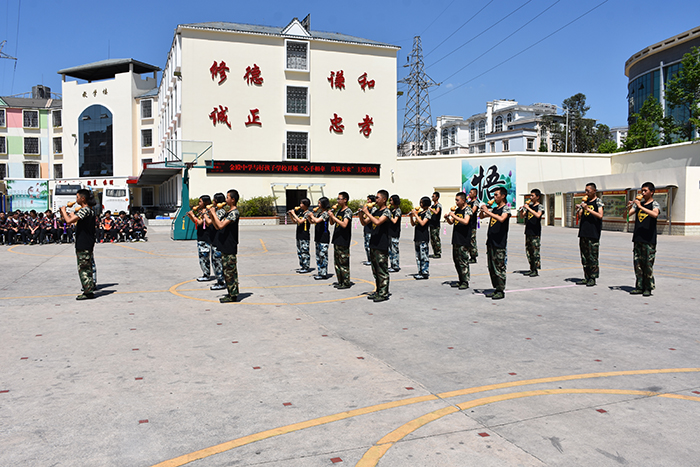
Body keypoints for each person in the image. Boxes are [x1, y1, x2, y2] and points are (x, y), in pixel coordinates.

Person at [59, 189, 98, 300]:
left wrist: (63, 211)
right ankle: (89, 287)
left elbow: (69, 221)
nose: (76, 199)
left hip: (84, 242)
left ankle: (88, 292)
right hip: (86, 241)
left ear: (83, 198)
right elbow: (74, 221)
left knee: (84, 267)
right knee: (87, 266)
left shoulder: (85, 210)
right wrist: (71, 215)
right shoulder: (88, 210)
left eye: (77, 197)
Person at [628, 182, 660, 297]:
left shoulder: (654, 204)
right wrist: (629, 207)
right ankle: (639, 286)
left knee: (648, 264)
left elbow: (655, 214)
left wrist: (640, 207)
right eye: (642, 190)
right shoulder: (638, 204)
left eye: (645, 191)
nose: (643, 193)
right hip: (638, 238)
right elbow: (625, 216)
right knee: (638, 264)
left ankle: (648, 288)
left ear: (652, 192)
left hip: (649, 239)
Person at [208, 189, 240, 303]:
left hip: (230, 245)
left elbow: (221, 225)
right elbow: (217, 226)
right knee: (226, 272)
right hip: (224, 245)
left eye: (227, 198)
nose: (226, 200)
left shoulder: (234, 213)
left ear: (233, 200)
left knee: (230, 272)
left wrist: (213, 214)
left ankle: (233, 295)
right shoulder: (228, 212)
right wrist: (211, 215)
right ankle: (231, 293)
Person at [359, 190, 391, 302]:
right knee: (375, 270)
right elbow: (364, 222)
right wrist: (361, 214)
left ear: (384, 199)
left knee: (382, 270)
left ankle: (383, 293)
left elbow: (377, 222)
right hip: (373, 243)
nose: (376, 200)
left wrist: (367, 213)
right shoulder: (376, 211)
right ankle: (378, 291)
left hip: (382, 244)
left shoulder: (386, 212)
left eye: (378, 198)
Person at [480, 186, 511, 300]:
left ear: (503, 196)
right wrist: (483, 210)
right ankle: (496, 288)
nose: (494, 197)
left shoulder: (506, 209)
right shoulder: (495, 209)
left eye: (496, 195)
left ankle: (501, 290)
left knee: (499, 267)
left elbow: (502, 219)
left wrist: (488, 212)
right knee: (492, 267)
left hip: (499, 242)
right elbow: (481, 216)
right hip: (491, 241)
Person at [577, 183, 604, 287]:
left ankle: (593, 278)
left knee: (593, 257)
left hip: (593, 233)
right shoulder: (585, 201)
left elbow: (600, 215)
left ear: (594, 191)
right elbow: (580, 215)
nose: (586, 193)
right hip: (583, 232)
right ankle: (586, 276)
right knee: (584, 256)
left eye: (588, 191)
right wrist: (580, 208)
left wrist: (588, 209)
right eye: (585, 191)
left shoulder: (598, 202)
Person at [445, 192, 472, 290]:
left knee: (463, 261)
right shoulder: (457, 210)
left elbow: (466, 221)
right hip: (456, 238)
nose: (456, 202)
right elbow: (452, 222)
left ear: (463, 200)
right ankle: (460, 279)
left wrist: (454, 215)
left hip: (463, 239)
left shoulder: (467, 209)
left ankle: (465, 281)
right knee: (456, 260)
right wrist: (448, 218)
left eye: (457, 200)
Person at [187, 195, 215, 282]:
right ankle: (205, 273)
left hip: (206, 237)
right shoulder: (201, 211)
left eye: (200, 201)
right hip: (200, 236)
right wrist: (191, 216)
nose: (198, 203)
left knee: (204, 257)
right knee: (202, 258)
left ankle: (206, 274)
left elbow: (200, 222)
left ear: (205, 202)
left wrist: (193, 216)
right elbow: (196, 222)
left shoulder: (207, 211)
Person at [329, 191, 353, 289]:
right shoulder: (339, 211)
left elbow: (344, 224)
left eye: (339, 199)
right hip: (337, 239)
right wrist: (331, 216)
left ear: (345, 200)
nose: (337, 201)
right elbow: (332, 223)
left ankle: (346, 282)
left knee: (343, 263)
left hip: (343, 240)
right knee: (337, 263)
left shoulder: (348, 211)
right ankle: (340, 281)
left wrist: (333, 217)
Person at [205, 193, 227, 290]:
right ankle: (219, 280)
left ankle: (221, 281)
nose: (213, 202)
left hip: (218, 239)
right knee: (214, 261)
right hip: (213, 239)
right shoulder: (216, 211)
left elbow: (210, 222)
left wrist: (208, 214)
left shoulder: (221, 211)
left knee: (218, 262)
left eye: (214, 200)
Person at [521, 189, 545, 277]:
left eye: (532, 196)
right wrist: (522, 210)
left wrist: (528, 208)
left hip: (535, 232)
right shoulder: (529, 206)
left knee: (535, 251)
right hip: (528, 231)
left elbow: (538, 215)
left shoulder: (540, 206)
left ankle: (535, 269)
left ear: (537, 197)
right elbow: (522, 216)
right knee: (529, 251)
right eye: (530, 196)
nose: (530, 197)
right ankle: (531, 268)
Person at [307, 197, 332, 280]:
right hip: (318, 236)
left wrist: (312, 216)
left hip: (324, 237)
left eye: (319, 203)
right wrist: (309, 217)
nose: (318, 205)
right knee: (318, 256)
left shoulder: (326, 213)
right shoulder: (319, 213)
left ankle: (324, 273)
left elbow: (318, 221)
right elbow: (313, 222)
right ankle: (320, 271)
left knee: (323, 255)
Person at [409, 196, 431, 280]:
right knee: (418, 256)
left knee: (424, 256)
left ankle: (425, 272)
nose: (420, 204)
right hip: (417, 236)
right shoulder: (420, 213)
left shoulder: (428, 213)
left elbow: (422, 223)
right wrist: (411, 216)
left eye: (422, 202)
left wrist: (415, 214)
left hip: (423, 237)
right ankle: (420, 271)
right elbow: (414, 224)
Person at [288, 198, 312, 274]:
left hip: (304, 235)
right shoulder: (301, 213)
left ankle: (306, 266)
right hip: (299, 234)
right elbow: (295, 221)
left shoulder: (308, 213)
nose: (300, 205)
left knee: (304, 251)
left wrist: (294, 214)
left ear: (305, 205)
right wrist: (291, 215)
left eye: (301, 203)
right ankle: (302, 266)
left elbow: (301, 221)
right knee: (300, 251)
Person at [388, 194, 402, 273]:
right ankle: (392, 264)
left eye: (391, 200)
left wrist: (388, 214)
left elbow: (394, 221)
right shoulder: (392, 210)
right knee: (390, 250)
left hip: (395, 232)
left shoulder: (398, 210)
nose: (390, 202)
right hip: (389, 232)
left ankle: (396, 265)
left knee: (394, 249)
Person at [362, 194, 377, 266]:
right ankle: (369, 259)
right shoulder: (368, 209)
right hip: (366, 229)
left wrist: (366, 213)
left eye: (369, 199)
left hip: (371, 230)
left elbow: (369, 219)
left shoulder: (374, 209)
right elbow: (364, 218)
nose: (367, 201)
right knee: (366, 246)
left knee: (369, 246)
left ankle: (372, 260)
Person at [466, 188, 480, 263]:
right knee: (467, 241)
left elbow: (473, 211)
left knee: (472, 241)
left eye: (471, 193)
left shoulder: (476, 202)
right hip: (467, 224)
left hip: (472, 225)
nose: (469, 194)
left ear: (475, 194)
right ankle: (469, 255)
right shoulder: (468, 202)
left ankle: (473, 257)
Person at [428, 191, 442, 258]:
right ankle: (435, 252)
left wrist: (430, 209)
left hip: (436, 225)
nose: (432, 198)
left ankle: (438, 253)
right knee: (432, 239)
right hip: (431, 224)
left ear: (437, 197)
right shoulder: (432, 206)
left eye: (433, 196)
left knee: (436, 239)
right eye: (432, 196)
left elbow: (436, 212)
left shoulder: (438, 205)